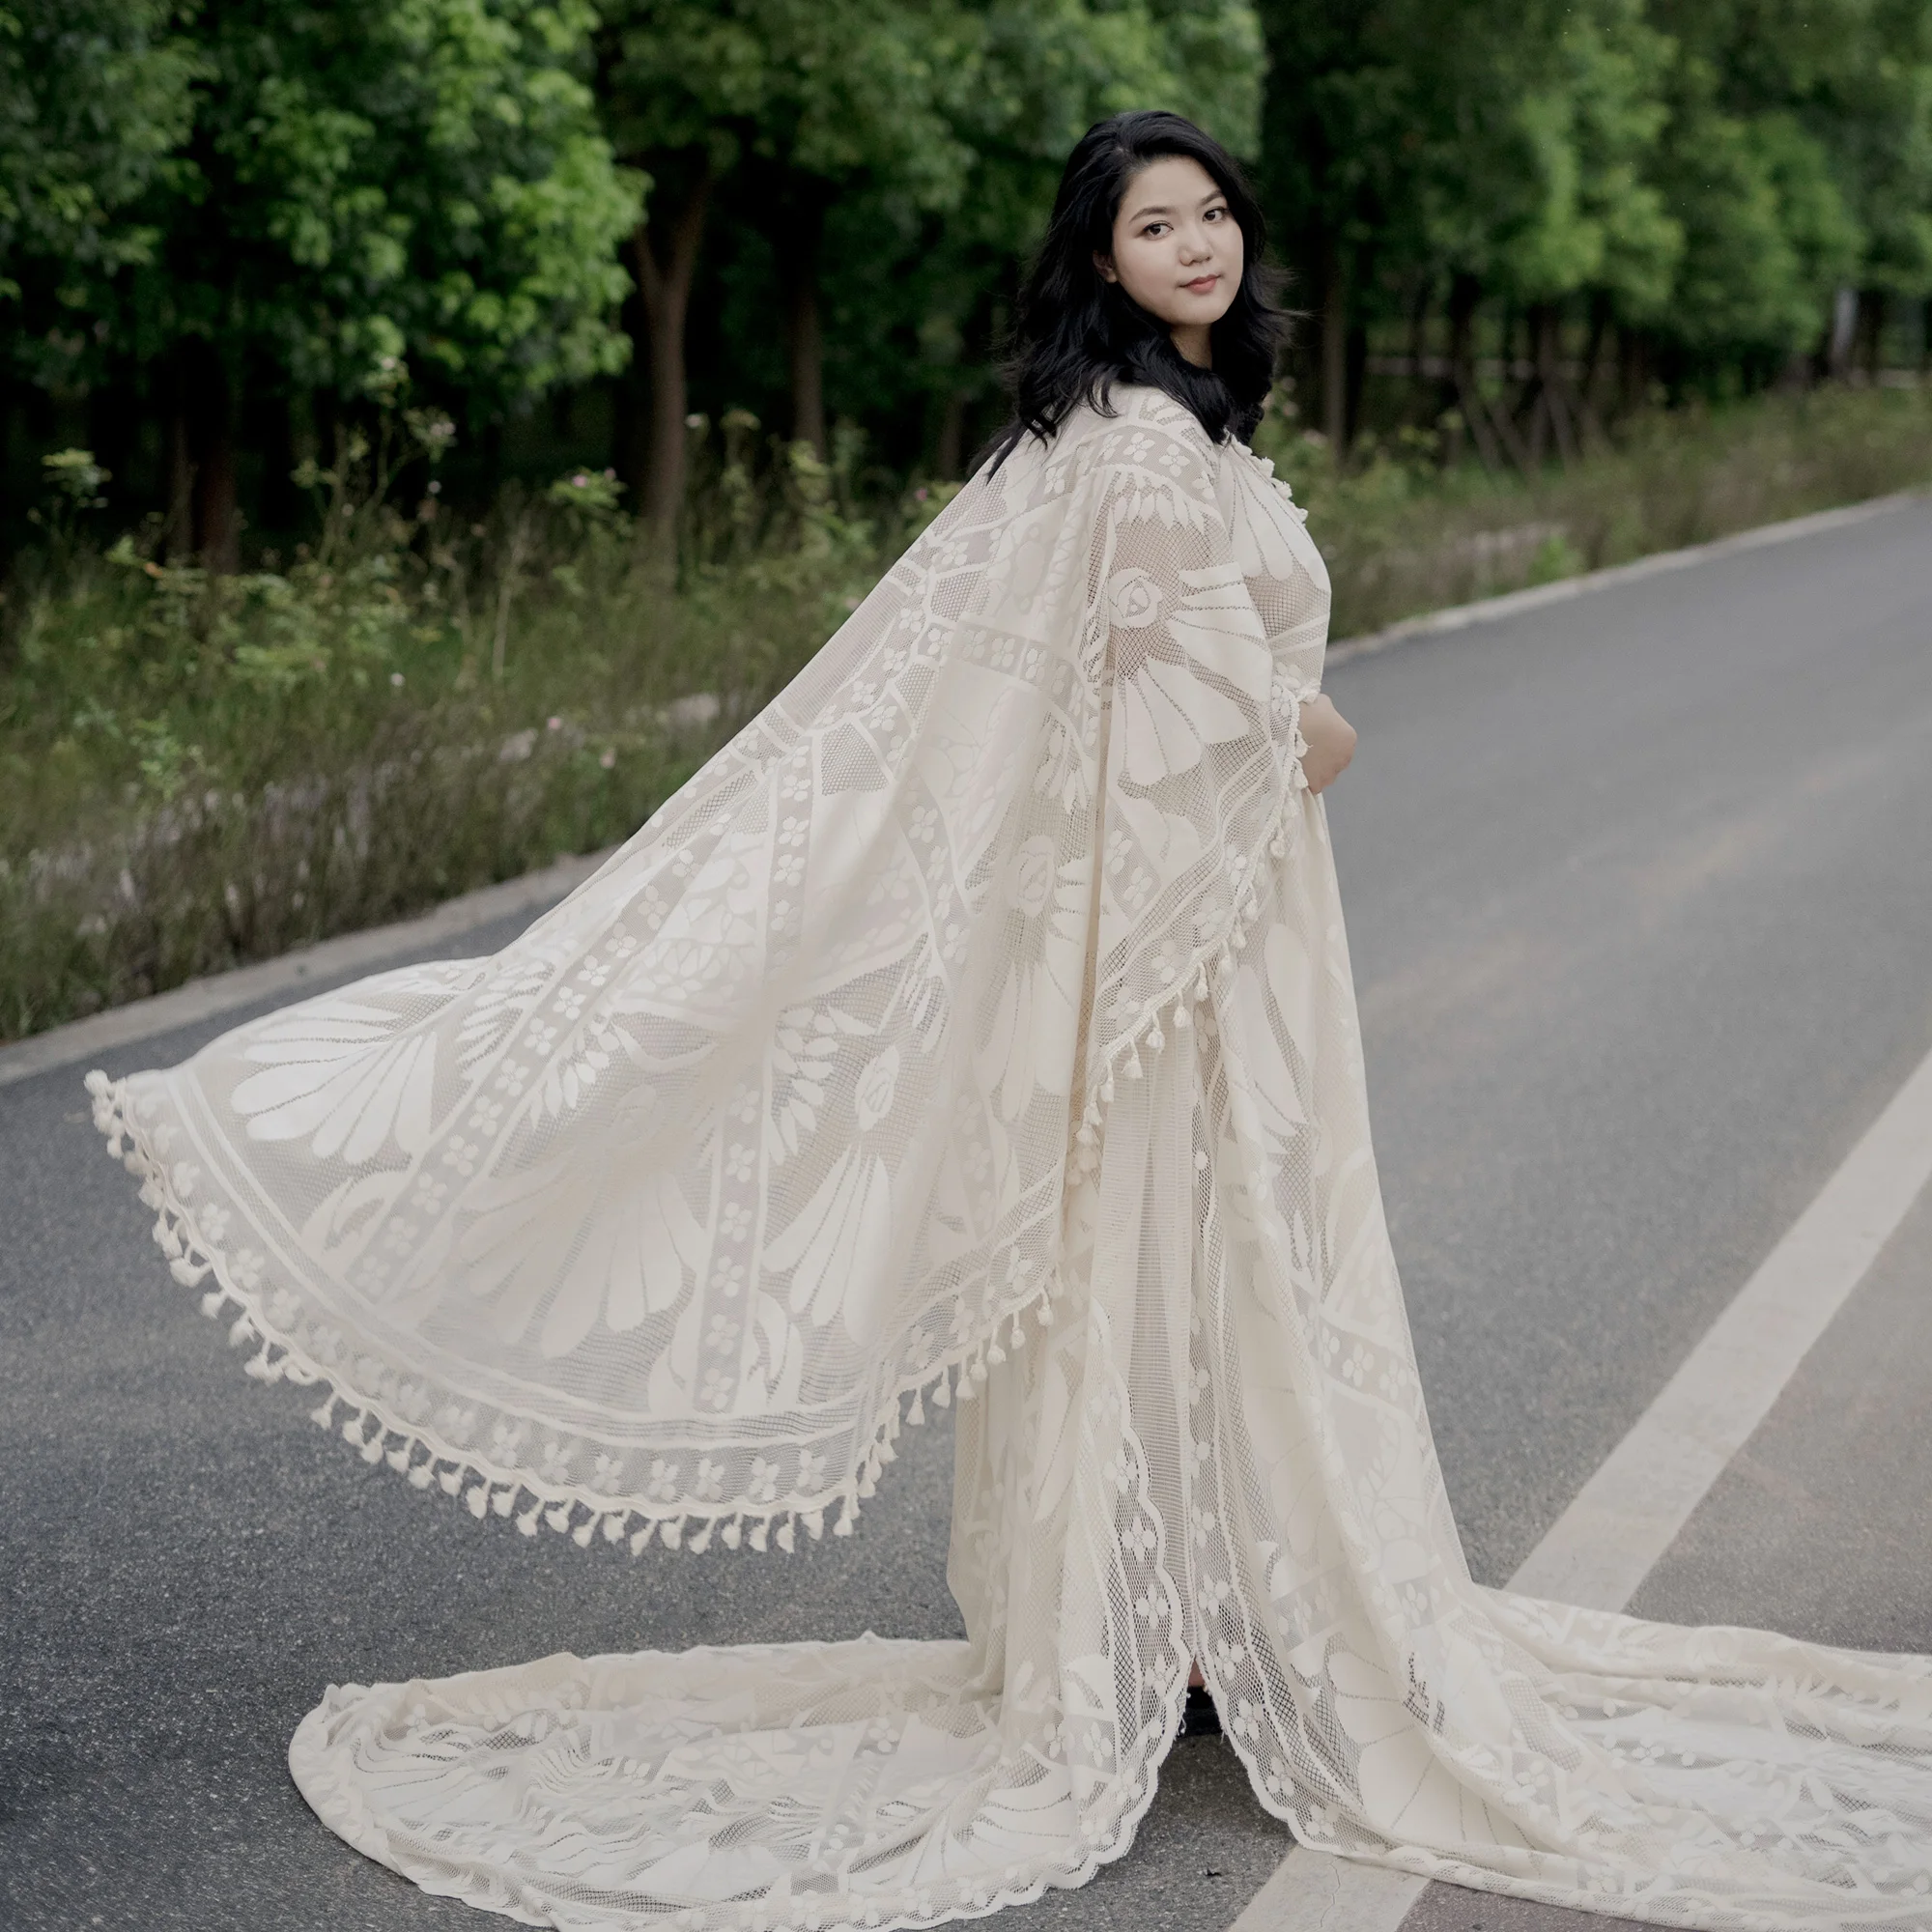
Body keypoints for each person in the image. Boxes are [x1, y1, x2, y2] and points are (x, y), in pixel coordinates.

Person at [88, 110, 1932, 1932]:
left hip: (1223, 929)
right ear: (1102, 263)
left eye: (1213, 214)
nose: (1197, 246)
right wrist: (1322, 730)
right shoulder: (1132, 444)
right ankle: (1172, 1629)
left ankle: (1191, 1616)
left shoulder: (1166, 424)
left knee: (1209, 1271)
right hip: (1193, 948)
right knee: (1196, 1258)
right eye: (1155, 227)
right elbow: (1174, 698)